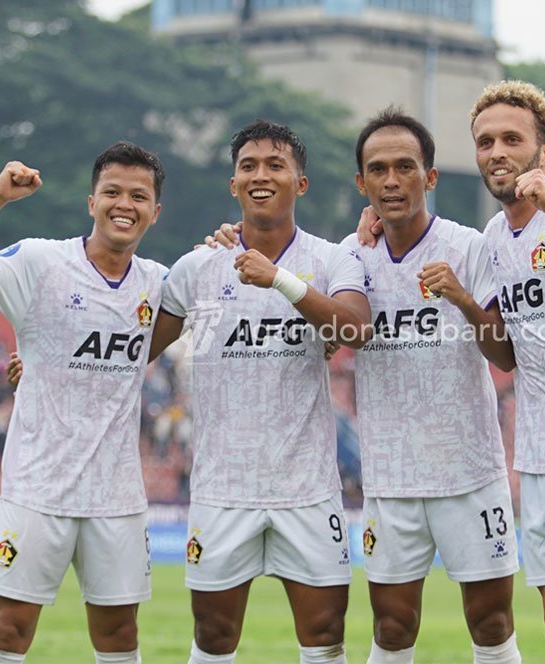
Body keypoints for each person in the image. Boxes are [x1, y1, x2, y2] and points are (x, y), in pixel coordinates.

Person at [357, 79, 545, 664]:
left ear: (544, 151)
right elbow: (505, 355)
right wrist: (467, 303)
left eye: (511, 140)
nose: (496, 151)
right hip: (541, 454)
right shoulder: (494, 237)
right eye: (484, 141)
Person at [220, 108, 523, 663]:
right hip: (391, 477)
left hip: (469, 471)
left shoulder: (471, 248)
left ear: (430, 176)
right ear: (361, 182)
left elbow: (504, 356)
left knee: (492, 622)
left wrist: (462, 299)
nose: (391, 180)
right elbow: (345, 331)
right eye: (377, 169)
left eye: (405, 167)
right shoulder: (349, 254)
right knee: (391, 627)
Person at [0, 141, 167, 664]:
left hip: (117, 496)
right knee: (9, 630)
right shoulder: (41, 261)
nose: (123, 204)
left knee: (120, 636)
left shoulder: (158, 283)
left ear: (155, 210)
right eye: (111, 192)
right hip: (38, 488)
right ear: (91, 202)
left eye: (138, 195)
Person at [150, 119, 372, 664]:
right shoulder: (198, 266)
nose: (260, 175)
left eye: (276, 165)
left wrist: (281, 280)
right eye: (248, 166)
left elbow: (355, 330)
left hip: (307, 487)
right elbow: (132, 353)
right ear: (233, 185)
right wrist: (37, 364)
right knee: (214, 639)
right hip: (223, 488)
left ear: (301, 183)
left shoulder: (329, 260)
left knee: (324, 638)